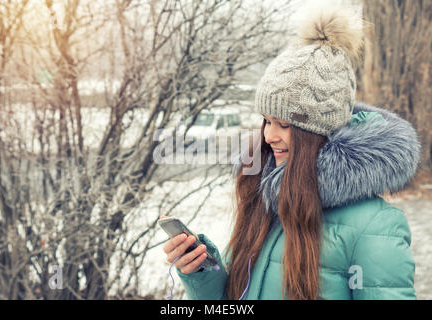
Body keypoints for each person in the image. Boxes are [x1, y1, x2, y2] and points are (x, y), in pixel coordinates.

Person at [161, 7, 420, 300]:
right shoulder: (263, 198)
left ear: (319, 133)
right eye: (267, 121)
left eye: (285, 125)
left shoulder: (374, 227)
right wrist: (201, 272)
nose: (269, 136)